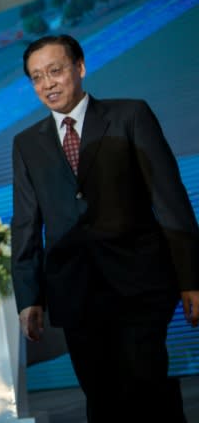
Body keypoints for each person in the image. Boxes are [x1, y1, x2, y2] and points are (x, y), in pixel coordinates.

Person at [11, 33, 199, 422]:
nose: (47, 84)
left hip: (140, 285)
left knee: (146, 389)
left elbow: (169, 199)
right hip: (76, 293)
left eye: (55, 71)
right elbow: (26, 222)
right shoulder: (26, 143)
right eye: (36, 77)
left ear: (79, 68)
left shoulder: (130, 115)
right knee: (102, 397)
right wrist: (29, 295)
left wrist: (191, 277)